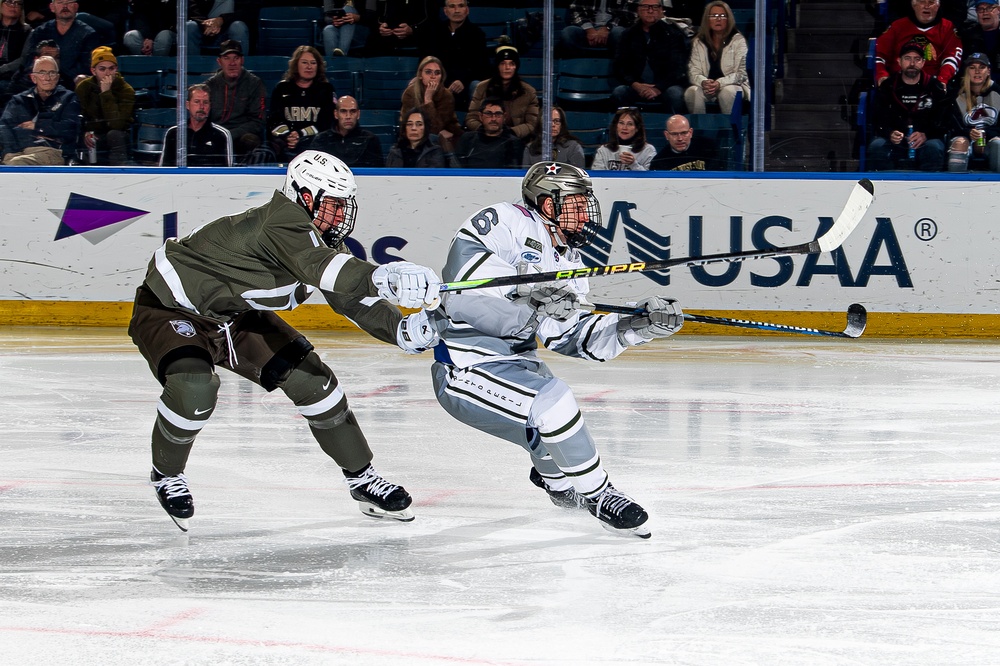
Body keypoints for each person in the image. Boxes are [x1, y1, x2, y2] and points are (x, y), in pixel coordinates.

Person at [129, 150, 443, 532]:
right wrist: (383, 276)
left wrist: (400, 329)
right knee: (194, 387)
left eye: (345, 206)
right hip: (171, 309)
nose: (341, 215)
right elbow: (324, 268)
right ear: (305, 196)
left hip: (233, 315)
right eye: (333, 205)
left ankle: (362, 480)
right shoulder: (282, 221)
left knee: (317, 385)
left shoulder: (313, 236)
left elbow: (351, 298)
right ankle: (166, 475)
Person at [429, 161, 684, 538]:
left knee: (549, 428)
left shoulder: (570, 263)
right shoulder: (506, 220)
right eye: (578, 204)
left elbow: (573, 338)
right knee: (553, 402)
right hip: (464, 363)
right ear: (549, 204)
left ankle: (558, 484)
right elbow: (461, 275)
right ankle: (599, 494)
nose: (587, 214)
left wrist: (637, 327)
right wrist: (531, 292)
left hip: (516, 364)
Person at [869, 41, 948, 171]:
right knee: (877, 146)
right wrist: (890, 133)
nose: (912, 63)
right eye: (907, 58)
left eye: (917, 59)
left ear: (923, 62)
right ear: (899, 61)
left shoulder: (935, 87)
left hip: (926, 140)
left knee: (934, 147)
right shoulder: (887, 86)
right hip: (895, 140)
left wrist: (925, 134)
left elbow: (943, 120)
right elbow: (877, 118)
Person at [0, 54, 79, 164]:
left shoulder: (68, 98)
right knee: (12, 162)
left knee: (17, 164)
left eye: (52, 73)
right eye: (42, 73)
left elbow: (69, 128)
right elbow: (5, 128)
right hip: (18, 151)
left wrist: (37, 126)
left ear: (57, 77)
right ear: (33, 78)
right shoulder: (19, 100)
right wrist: (9, 152)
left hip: (52, 151)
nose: (47, 78)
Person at [613, 0, 689, 113]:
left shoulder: (673, 35)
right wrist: (636, 85)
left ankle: (674, 128)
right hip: (636, 86)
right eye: (645, 7)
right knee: (619, 92)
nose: (650, 11)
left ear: (661, 11)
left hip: (665, 86)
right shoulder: (628, 35)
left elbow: (678, 68)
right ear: (638, 10)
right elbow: (621, 66)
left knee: (675, 94)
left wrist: (658, 88)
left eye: (655, 7)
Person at [417, 0, 489, 112]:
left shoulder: (477, 34)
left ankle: (471, 120)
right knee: (414, 84)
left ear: (467, 10)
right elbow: (424, 60)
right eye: (452, 6)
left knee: (476, 85)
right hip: (437, 80)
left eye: (461, 6)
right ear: (445, 11)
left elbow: (481, 67)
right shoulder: (434, 32)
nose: (456, 10)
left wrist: (463, 81)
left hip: (464, 84)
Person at [267, 45, 335, 163]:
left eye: (313, 63)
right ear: (296, 65)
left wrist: (300, 134)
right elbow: (273, 120)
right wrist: (288, 135)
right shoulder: (281, 88)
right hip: (284, 143)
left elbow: (326, 123)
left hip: (315, 145)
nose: (309, 67)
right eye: (304, 62)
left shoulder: (326, 90)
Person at [875, 0, 963, 88]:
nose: (926, 6)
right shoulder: (897, 26)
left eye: (931, 2)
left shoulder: (947, 27)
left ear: (937, 6)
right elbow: (879, 54)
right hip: (897, 83)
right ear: (914, 5)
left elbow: (952, 58)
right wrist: (881, 75)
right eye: (922, 2)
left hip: (933, 84)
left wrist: (942, 80)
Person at [685, 1, 750, 115]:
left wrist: (720, 83)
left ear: (728, 19)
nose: (718, 19)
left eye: (722, 16)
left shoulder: (738, 40)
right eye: (714, 16)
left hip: (733, 85)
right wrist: (704, 82)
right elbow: (693, 71)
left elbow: (741, 74)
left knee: (727, 92)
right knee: (692, 92)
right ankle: (701, 128)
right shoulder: (698, 42)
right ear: (707, 19)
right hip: (708, 87)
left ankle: (730, 129)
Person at [205, 38, 266, 160]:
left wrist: (229, 135)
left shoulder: (254, 83)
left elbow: (257, 122)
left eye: (236, 58)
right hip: (216, 134)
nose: (232, 63)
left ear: (242, 60)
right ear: (219, 61)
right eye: (227, 58)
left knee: (251, 141)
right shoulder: (210, 85)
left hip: (241, 135)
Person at [465, 44, 539, 142]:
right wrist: (486, 131)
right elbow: (471, 118)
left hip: (515, 140)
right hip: (485, 138)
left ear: (516, 67)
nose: (507, 67)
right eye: (503, 63)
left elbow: (532, 124)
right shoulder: (482, 87)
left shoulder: (529, 91)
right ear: (497, 66)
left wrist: (510, 133)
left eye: (511, 64)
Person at [75, 45, 133, 165]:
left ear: (116, 69)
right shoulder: (84, 87)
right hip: (93, 133)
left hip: (118, 134)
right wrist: (85, 132)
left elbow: (116, 124)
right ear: (93, 70)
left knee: (114, 135)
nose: (107, 73)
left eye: (111, 68)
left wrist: (106, 93)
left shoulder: (126, 89)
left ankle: (120, 173)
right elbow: (76, 115)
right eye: (102, 69)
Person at [19, 0, 100, 83]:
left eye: (69, 2)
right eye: (60, 2)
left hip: (70, 84)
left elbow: (87, 67)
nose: (65, 6)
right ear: (52, 7)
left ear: (76, 7)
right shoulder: (40, 32)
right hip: (41, 81)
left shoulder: (88, 34)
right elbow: (29, 61)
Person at [943, 52, 1000, 170]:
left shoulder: (998, 93)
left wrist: (985, 134)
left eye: (982, 67)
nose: (977, 72)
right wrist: (968, 132)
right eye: (972, 68)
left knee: (998, 145)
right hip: (964, 137)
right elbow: (950, 125)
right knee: (960, 143)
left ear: (988, 71)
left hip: (991, 139)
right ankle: (954, 185)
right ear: (966, 71)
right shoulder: (955, 95)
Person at [399, 55, 462, 153]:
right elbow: (407, 125)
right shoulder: (410, 93)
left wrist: (428, 100)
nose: (433, 76)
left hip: (443, 142)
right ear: (420, 75)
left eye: (437, 73)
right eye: (428, 72)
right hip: (415, 137)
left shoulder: (446, 95)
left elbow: (435, 128)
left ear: (441, 77)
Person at [160, 83, 234, 166]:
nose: (201, 107)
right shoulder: (174, 133)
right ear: (188, 105)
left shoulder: (221, 135)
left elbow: (227, 173)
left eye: (205, 102)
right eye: (197, 102)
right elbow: (164, 170)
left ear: (210, 106)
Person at [311, 95, 385, 167]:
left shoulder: (370, 140)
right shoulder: (321, 139)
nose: (348, 116)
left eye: (353, 111)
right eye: (343, 111)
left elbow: (377, 173)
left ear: (358, 114)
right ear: (336, 114)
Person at [451, 96, 524, 168]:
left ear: (504, 117)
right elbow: (457, 169)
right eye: (488, 114)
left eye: (498, 114)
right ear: (480, 116)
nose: (493, 119)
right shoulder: (467, 139)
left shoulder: (514, 143)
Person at [559, 0, 636, 58]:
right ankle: (580, 65)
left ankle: (617, 67)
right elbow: (575, 10)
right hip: (588, 29)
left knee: (619, 33)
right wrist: (589, 29)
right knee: (568, 32)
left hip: (614, 28)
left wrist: (607, 28)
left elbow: (628, 14)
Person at [591, 106, 656, 170]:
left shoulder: (648, 150)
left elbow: (650, 179)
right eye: (621, 123)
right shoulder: (604, 150)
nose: (624, 128)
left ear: (637, 128)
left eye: (630, 124)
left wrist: (633, 164)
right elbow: (597, 176)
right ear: (616, 126)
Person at [650, 114, 724, 171]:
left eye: (684, 133)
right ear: (666, 135)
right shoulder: (659, 161)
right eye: (674, 134)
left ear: (691, 132)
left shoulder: (708, 147)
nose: (680, 138)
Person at [367, 0, 438, 56]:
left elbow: (433, 20)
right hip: (384, 44)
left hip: (418, 43)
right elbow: (371, 16)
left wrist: (413, 29)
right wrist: (380, 27)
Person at [960, 0, 1000, 69]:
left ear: (998, 10)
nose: (985, 13)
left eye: (989, 8)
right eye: (980, 9)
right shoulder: (968, 36)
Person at [0, 0, 32, 82]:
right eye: (9, 2)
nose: (13, 5)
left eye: (18, 3)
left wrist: (3, 69)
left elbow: (24, 58)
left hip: (11, 76)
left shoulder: (27, 31)